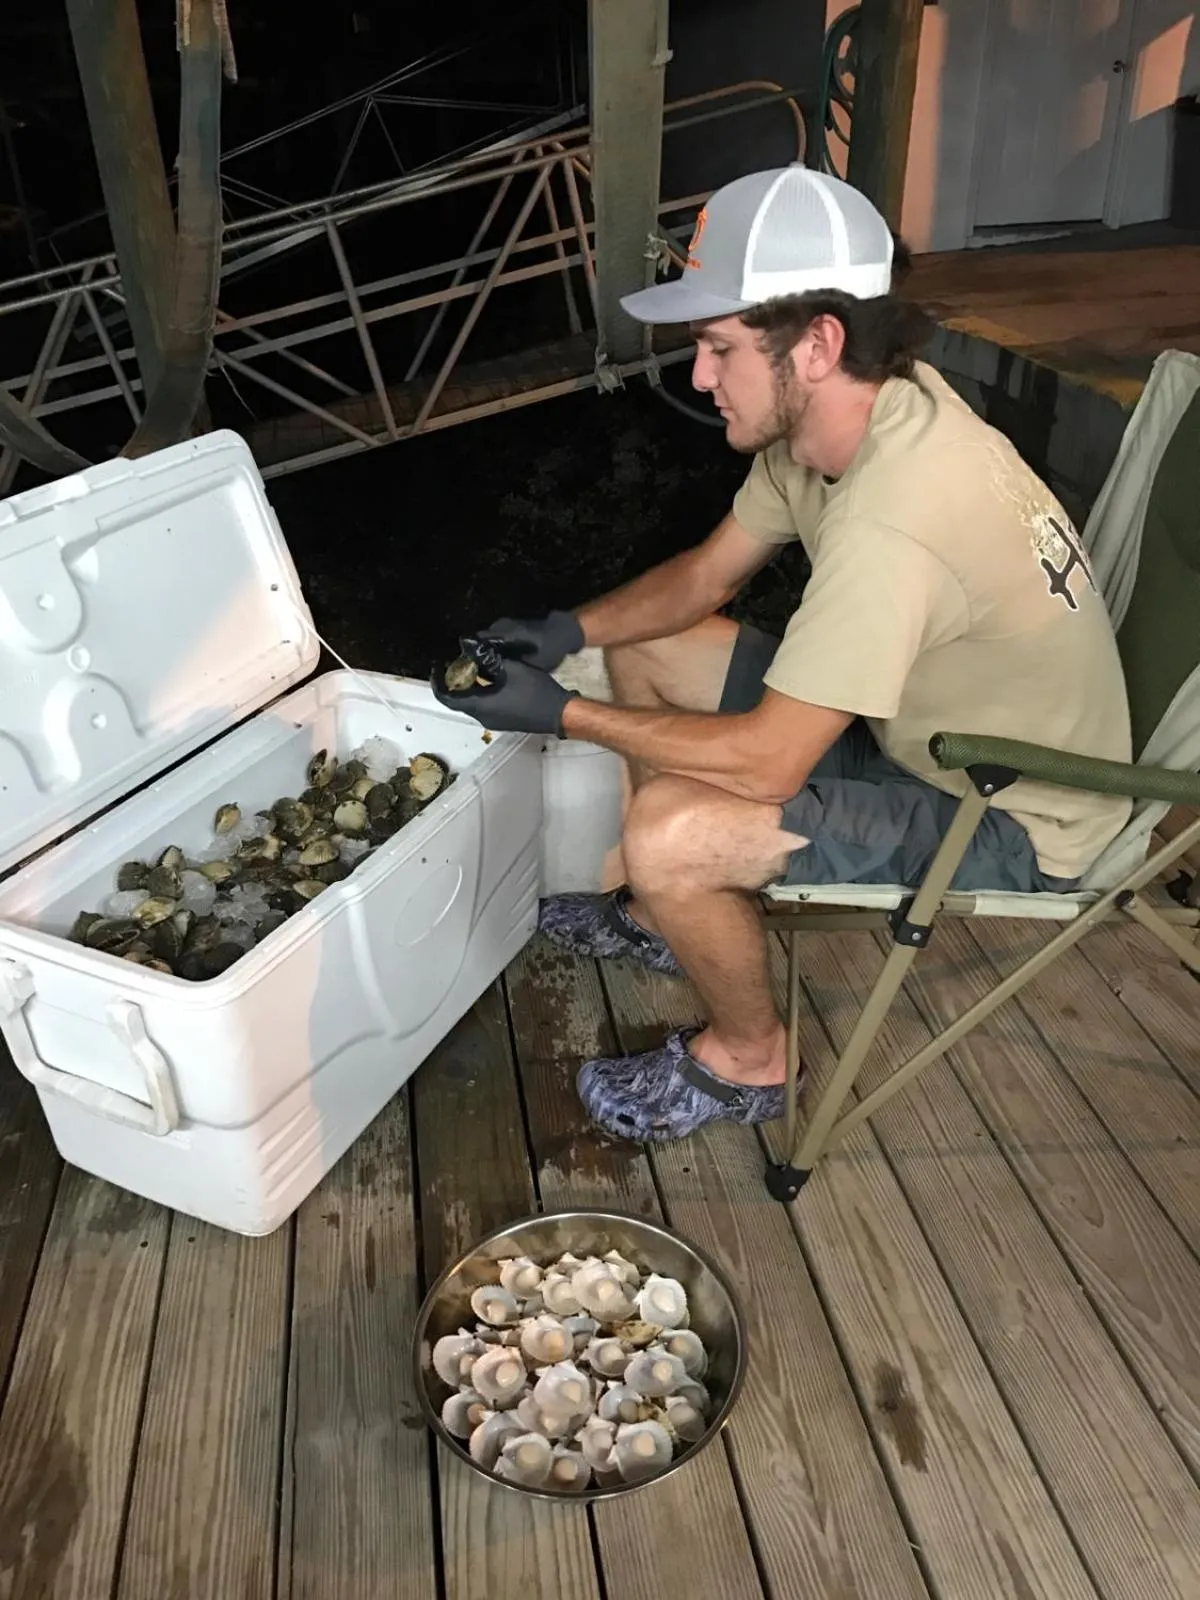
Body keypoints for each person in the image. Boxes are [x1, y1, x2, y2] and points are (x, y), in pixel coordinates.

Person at [431, 164, 1132, 1145]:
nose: (698, 375)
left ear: (818, 343)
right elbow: (701, 581)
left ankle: (751, 1062)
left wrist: (561, 711)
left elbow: (770, 762)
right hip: (919, 734)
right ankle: (661, 915)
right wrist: (570, 632)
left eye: (718, 346)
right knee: (655, 644)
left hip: (1015, 812)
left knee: (673, 832)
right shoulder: (849, 418)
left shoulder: (900, 514)